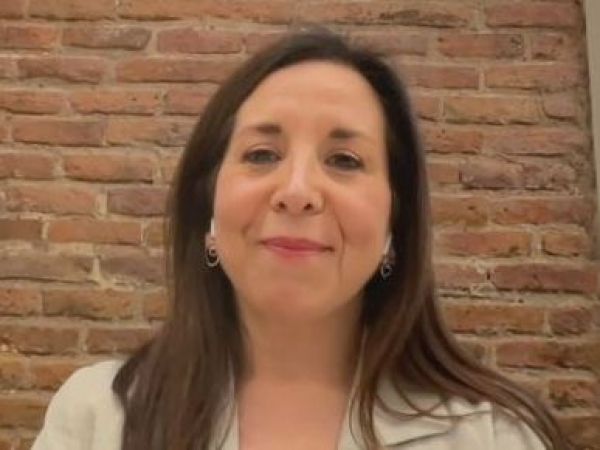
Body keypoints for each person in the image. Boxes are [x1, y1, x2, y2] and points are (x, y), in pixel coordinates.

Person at [32, 29, 570, 450]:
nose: (296, 192)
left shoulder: (495, 434)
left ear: (395, 223)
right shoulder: (97, 418)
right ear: (208, 209)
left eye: (345, 160)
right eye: (262, 154)